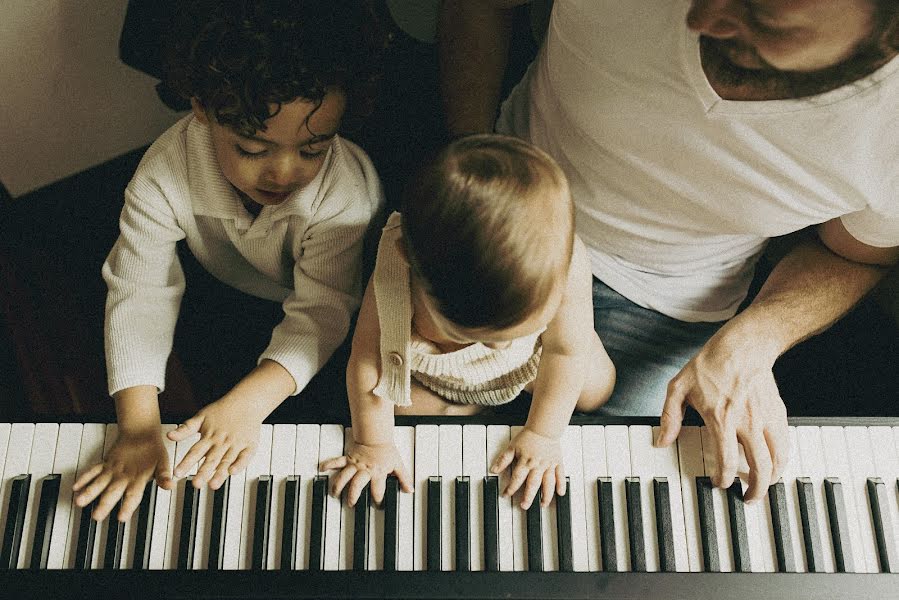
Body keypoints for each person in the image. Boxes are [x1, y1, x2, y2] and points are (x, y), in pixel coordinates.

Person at [438, 0, 899, 502]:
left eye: (763, 18)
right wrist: (469, 163)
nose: (700, 20)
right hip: (500, 221)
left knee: (616, 506)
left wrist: (754, 341)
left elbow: (854, 253)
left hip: (668, 311)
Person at [72, 0, 386, 522]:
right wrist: (137, 425)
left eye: (313, 149)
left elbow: (324, 309)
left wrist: (249, 405)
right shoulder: (163, 174)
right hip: (227, 282)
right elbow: (139, 289)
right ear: (201, 108)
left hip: (335, 302)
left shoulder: (347, 194)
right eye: (253, 148)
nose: (284, 174)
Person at [321, 134, 616, 510]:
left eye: (518, 329)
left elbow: (564, 350)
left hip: (536, 360)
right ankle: (464, 406)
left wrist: (543, 434)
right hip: (443, 373)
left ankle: (518, 378)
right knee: (405, 414)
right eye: (467, 334)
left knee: (596, 387)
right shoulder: (396, 273)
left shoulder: (565, 262)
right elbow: (367, 359)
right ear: (410, 262)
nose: (500, 346)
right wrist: (372, 443)